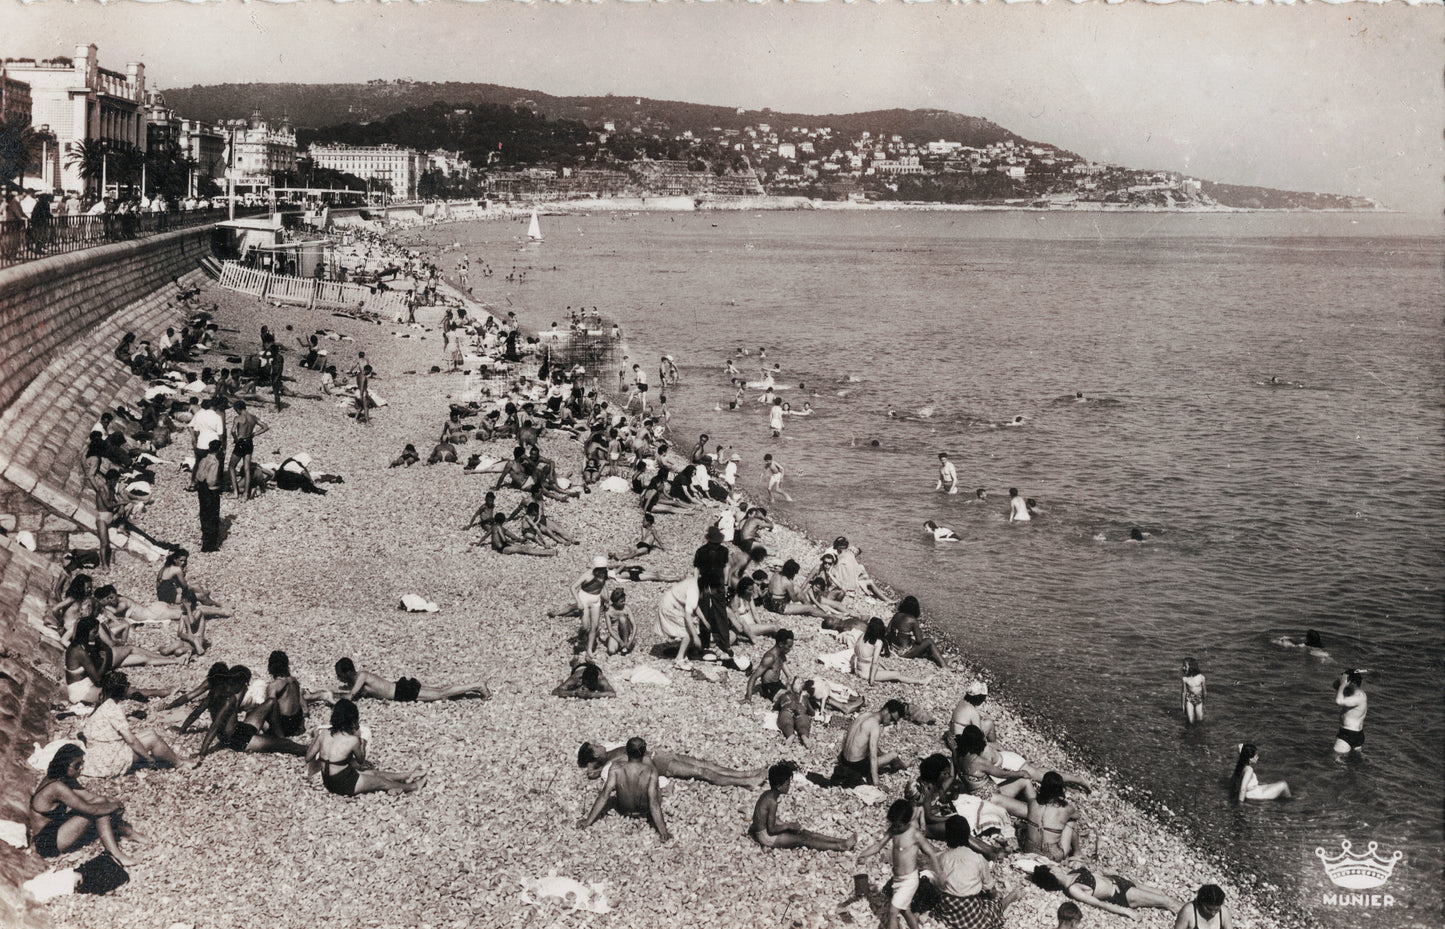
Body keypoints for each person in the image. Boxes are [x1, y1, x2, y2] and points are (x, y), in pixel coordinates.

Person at [28, 745, 136, 865]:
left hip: (56, 828)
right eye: (77, 766)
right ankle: (116, 854)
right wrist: (113, 807)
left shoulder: (63, 778)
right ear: (64, 765)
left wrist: (112, 801)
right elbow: (90, 809)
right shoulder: (56, 787)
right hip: (47, 842)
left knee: (102, 806)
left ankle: (128, 833)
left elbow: (92, 798)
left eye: (82, 764)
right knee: (100, 811)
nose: (81, 769)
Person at [193, 666, 309, 766]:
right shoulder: (230, 700)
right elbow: (215, 726)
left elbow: (196, 712)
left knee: (271, 702)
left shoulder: (212, 694)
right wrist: (202, 752)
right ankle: (307, 749)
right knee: (286, 745)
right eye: (243, 685)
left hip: (240, 729)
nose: (243, 689)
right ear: (236, 683)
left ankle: (279, 736)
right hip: (238, 740)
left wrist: (182, 729)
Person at [307, 699, 425, 796]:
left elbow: (308, 757)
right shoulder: (352, 740)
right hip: (344, 784)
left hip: (328, 782)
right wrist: (362, 740)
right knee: (381, 783)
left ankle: (407, 775)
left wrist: (315, 739)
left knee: (373, 773)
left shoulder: (324, 734)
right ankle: (413, 786)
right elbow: (361, 760)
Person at [81, 672, 189, 777]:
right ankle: (180, 764)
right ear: (123, 690)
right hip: (109, 761)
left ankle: (175, 757)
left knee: (150, 733)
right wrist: (148, 759)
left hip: (98, 755)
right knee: (152, 739)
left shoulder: (102, 704)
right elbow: (131, 740)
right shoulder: (112, 708)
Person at [855, 800, 939, 929]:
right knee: (906, 911)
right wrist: (864, 854)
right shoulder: (894, 830)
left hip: (909, 880)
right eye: (893, 824)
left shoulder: (914, 834)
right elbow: (879, 845)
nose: (896, 828)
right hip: (897, 879)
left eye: (899, 825)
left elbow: (931, 853)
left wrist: (940, 873)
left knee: (893, 911)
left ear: (908, 821)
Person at [927, 815, 1018, 929]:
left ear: (947, 837)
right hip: (970, 908)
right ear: (968, 836)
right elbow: (990, 888)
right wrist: (995, 896)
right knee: (993, 907)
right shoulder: (977, 858)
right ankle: (1012, 897)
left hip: (948, 907)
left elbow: (939, 885)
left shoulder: (941, 858)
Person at [578, 737, 670, 841]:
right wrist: (663, 831)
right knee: (655, 790)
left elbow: (604, 795)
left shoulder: (616, 768)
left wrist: (587, 821)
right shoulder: (650, 771)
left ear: (627, 751)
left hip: (624, 811)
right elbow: (653, 803)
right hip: (644, 811)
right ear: (643, 752)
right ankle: (653, 821)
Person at [750, 763, 855, 852]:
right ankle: (841, 846)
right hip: (766, 837)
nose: (789, 786)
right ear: (778, 786)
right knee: (804, 839)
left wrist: (787, 825)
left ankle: (842, 841)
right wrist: (788, 826)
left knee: (805, 832)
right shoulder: (772, 802)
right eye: (787, 784)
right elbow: (772, 830)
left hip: (764, 830)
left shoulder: (768, 794)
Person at [577, 740, 764, 788]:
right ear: (594, 755)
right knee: (701, 771)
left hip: (660, 754)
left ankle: (745, 774)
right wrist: (593, 765)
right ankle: (746, 782)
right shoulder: (608, 764)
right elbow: (591, 773)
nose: (599, 744)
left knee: (705, 763)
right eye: (595, 746)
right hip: (660, 765)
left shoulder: (609, 750)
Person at [1032, 859, 1182, 917]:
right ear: (1052, 872)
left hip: (1120, 881)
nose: (1055, 866)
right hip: (1124, 894)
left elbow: (1097, 874)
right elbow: (1099, 903)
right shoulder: (1073, 889)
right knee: (1166, 901)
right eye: (1052, 867)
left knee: (1162, 894)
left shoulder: (1071, 872)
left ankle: (1195, 914)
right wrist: (1126, 911)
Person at [827, 699, 909, 787]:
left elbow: (847, 737)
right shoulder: (875, 726)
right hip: (855, 765)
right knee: (893, 755)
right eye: (892, 719)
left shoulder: (865, 715)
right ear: (886, 710)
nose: (891, 723)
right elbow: (873, 757)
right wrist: (876, 782)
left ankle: (898, 763)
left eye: (894, 722)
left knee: (877, 750)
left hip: (843, 759)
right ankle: (903, 765)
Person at [334, 657, 491, 703]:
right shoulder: (358, 679)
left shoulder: (362, 676)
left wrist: (328, 696)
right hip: (400, 688)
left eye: (339, 675)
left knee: (441, 694)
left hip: (401, 692)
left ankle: (477, 685)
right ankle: (474, 687)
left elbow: (351, 696)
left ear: (347, 672)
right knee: (439, 690)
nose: (338, 678)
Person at [854, 617, 930, 686]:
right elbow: (874, 663)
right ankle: (921, 682)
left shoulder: (862, 636)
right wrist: (871, 681)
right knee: (896, 674)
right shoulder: (878, 642)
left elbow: (862, 656)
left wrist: (886, 668)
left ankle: (915, 680)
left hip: (859, 669)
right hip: (867, 673)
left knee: (889, 671)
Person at [1024, 771, 1079, 861]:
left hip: (1029, 849)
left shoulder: (1032, 802)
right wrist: (1061, 799)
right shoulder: (1066, 809)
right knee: (1071, 822)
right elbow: (1077, 816)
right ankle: (1077, 851)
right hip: (1051, 855)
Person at [887, 597, 947, 668]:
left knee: (926, 649)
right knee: (929, 641)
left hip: (893, 648)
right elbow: (919, 641)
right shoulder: (912, 620)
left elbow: (888, 631)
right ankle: (945, 666)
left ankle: (944, 659)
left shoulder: (896, 615)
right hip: (903, 652)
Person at [228, 401, 268, 499]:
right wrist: (254, 434)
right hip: (249, 443)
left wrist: (236, 439)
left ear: (237, 409)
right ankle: (246, 494)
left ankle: (235, 492)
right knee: (247, 469)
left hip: (241, 443)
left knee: (231, 467)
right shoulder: (253, 417)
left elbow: (233, 431)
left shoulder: (238, 418)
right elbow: (265, 427)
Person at [572, 557, 611, 658]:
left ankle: (589, 649)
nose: (602, 571)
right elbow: (572, 587)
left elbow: (603, 585)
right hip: (584, 599)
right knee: (585, 626)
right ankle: (580, 639)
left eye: (603, 568)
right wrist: (578, 602)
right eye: (600, 569)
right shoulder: (587, 575)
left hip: (596, 600)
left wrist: (606, 599)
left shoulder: (604, 574)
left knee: (595, 626)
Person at [743, 630, 794, 702]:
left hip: (778, 684)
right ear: (781, 644)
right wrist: (748, 698)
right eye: (788, 647)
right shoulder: (770, 658)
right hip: (769, 688)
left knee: (800, 695)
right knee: (791, 699)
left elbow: (789, 675)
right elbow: (754, 677)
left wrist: (795, 683)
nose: (790, 650)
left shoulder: (782, 656)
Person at [194, 439, 224, 552]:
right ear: (219, 449)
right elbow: (211, 480)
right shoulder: (215, 462)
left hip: (202, 489)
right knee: (212, 516)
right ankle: (210, 545)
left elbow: (198, 476)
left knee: (204, 514)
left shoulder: (204, 459)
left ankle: (205, 539)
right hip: (211, 491)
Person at [1333, 669, 1368, 754]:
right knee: (1356, 761)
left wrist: (1342, 685)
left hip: (1348, 733)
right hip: (1356, 733)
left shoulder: (1359, 696)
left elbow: (1339, 701)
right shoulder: (1356, 693)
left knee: (1337, 762)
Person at [1181, 658, 1206, 724]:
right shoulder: (1185, 679)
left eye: (1185, 666)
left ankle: (1198, 733)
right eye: (1183, 666)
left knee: (1200, 720)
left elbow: (1204, 692)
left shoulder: (1201, 678)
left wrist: (1204, 703)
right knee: (1190, 720)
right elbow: (1183, 692)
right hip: (1189, 699)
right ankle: (1189, 732)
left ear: (1192, 667)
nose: (1183, 668)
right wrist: (1183, 705)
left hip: (1199, 700)